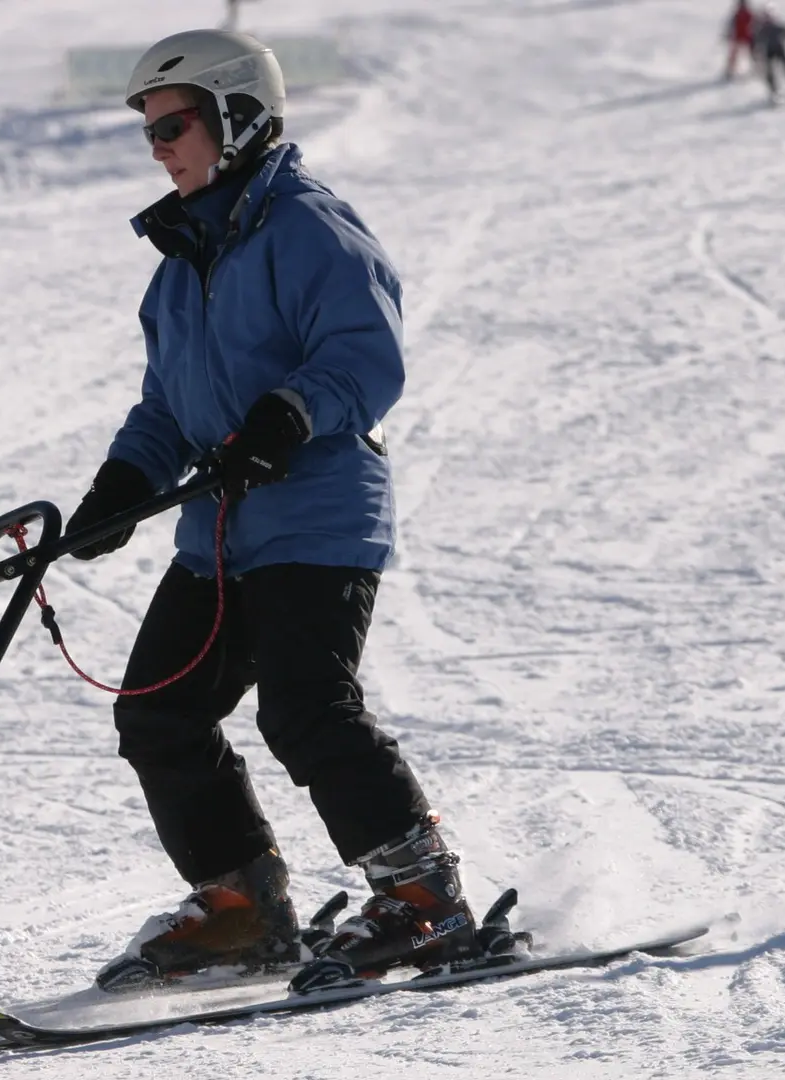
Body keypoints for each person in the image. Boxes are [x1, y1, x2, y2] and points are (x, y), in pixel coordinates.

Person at [67, 29, 482, 995]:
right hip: (220, 536)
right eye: (149, 132)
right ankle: (242, 907)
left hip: (316, 520)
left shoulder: (309, 228)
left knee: (305, 710)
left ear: (237, 115)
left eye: (174, 124)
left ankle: (423, 899)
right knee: (158, 712)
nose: (159, 146)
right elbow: (166, 406)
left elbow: (364, 359)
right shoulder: (179, 265)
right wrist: (122, 486)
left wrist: (287, 416)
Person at [723, 0, 758, 82]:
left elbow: (756, 25)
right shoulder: (736, 15)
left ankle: (756, 69)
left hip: (748, 38)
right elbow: (731, 25)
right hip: (738, 37)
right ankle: (730, 71)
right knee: (733, 55)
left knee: (752, 55)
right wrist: (728, 34)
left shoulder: (749, 14)